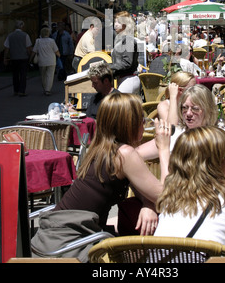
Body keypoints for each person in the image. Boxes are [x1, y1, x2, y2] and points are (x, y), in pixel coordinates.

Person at [31, 93, 170, 261]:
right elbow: (166, 197)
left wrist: (148, 204)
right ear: (128, 123)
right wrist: (164, 149)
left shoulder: (103, 149)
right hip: (69, 244)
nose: (144, 122)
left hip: (54, 235)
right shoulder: (124, 154)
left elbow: (143, 188)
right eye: (141, 117)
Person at [137, 84, 219, 161]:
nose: (188, 113)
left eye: (195, 109)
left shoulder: (217, 138)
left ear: (208, 109)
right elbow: (134, 155)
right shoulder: (175, 135)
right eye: (185, 108)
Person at [109, 11, 140, 94]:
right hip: (124, 79)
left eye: (118, 22)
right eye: (115, 21)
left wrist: (108, 67)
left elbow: (127, 62)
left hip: (128, 79)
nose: (115, 24)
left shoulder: (128, 39)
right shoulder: (122, 39)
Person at [3, 20, 32, 96]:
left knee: (15, 74)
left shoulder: (10, 35)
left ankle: (16, 90)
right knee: (23, 75)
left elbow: (6, 48)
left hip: (14, 58)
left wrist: (5, 58)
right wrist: (30, 56)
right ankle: (21, 91)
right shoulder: (25, 35)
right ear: (22, 26)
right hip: (23, 58)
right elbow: (28, 47)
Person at [30, 27, 60, 95]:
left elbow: (34, 51)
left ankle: (45, 88)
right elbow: (56, 51)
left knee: (43, 76)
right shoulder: (52, 41)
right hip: (51, 60)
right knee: (50, 75)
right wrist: (59, 55)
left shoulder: (38, 41)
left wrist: (30, 59)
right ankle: (48, 89)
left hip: (42, 61)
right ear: (48, 33)